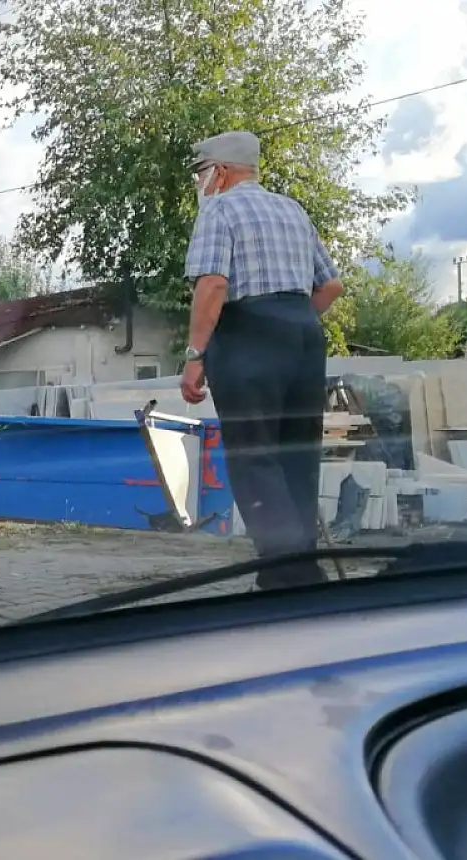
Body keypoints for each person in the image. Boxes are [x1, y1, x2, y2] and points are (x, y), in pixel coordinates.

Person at [179, 130, 346, 591]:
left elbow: (212, 285)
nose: (200, 180)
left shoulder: (220, 210)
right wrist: (291, 318)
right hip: (304, 337)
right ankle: (292, 574)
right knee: (297, 454)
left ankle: (291, 577)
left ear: (223, 171)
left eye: (202, 170)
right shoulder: (292, 210)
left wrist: (195, 355)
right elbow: (331, 286)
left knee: (255, 457)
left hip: (248, 336)